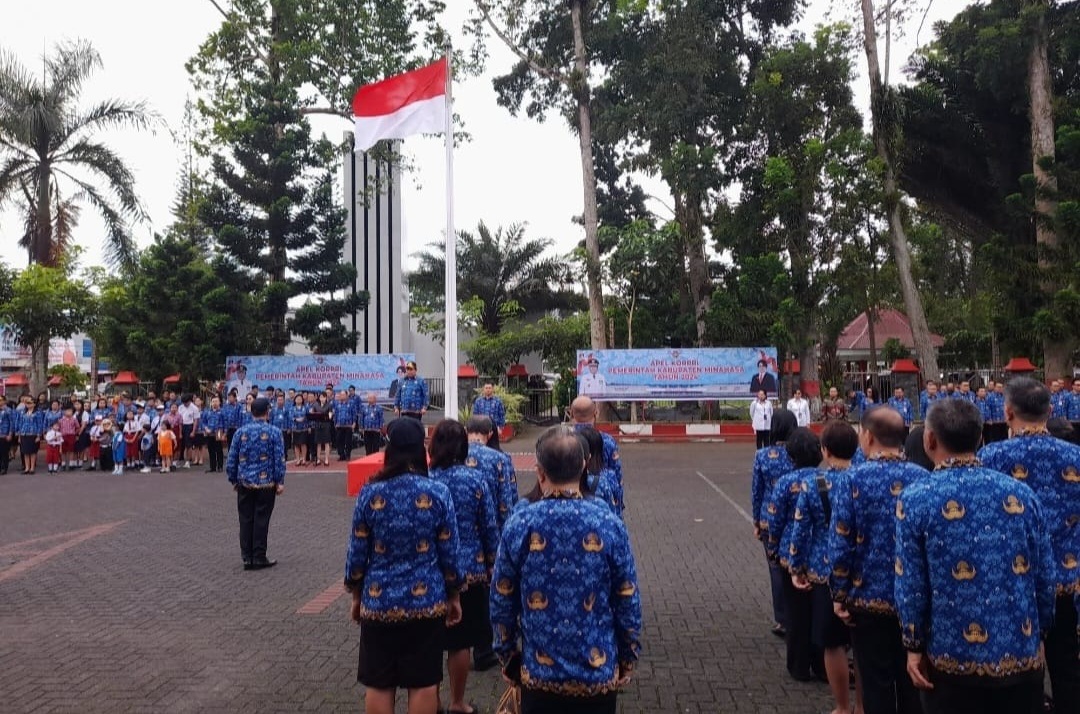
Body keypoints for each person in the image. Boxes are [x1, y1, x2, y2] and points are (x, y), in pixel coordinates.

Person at [895, 398, 1055, 714]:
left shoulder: (916, 499)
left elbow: (911, 585)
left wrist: (913, 646)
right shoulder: (1022, 495)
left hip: (952, 657)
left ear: (929, 439)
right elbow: (1044, 576)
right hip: (1020, 653)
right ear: (980, 438)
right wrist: (1041, 634)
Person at [490, 425, 641, 714]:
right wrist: (627, 655)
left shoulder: (520, 522)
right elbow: (627, 596)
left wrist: (507, 655)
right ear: (584, 466)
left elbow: (501, 597)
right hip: (596, 674)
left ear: (539, 471)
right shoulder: (608, 522)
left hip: (539, 675)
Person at [345, 417, 463, 714]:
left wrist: (357, 595)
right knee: (423, 682)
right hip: (426, 602)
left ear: (389, 449)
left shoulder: (370, 493)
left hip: (379, 599)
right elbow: (449, 551)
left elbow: (357, 553)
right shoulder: (437, 493)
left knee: (379, 682)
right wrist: (454, 595)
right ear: (421, 448)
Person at [977, 377, 1080, 713]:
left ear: (1007, 412)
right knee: (1067, 663)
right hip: (1066, 579)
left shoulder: (992, 457)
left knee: (1020, 665)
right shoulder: (1075, 456)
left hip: (1013, 580)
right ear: (1050, 411)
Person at [829, 406, 928, 714]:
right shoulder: (924, 478)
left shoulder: (852, 480)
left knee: (875, 686)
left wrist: (838, 593)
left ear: (868, 436)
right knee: (914, 683)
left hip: (867, 598)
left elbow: (840, 542)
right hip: (916, 600)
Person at [788, 421, 861, 714]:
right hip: (860, 571)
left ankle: (842, 706)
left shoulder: (814, 483)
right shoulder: (863, 480)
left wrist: (796, 566)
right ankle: (863, 706)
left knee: (833, 644)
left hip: (824, 570)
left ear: (825, 450)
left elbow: (800, 529)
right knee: (862, 643)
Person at [427, 419, 499, 714]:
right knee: (461, 643)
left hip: (430, 572)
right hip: (470, 571)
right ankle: (458, 702)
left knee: (429, 643)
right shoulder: (475, 480)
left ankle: (431, 702)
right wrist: (494, 564)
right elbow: (489, 527)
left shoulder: (426, 480)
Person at [764, 427, 825, 682]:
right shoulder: (827, 479)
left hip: (792, 556)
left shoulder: (787, 482)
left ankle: (799, 666)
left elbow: (774, 519)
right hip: (822, 558)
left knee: (796, 614)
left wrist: (773, 547)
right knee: (820, 613)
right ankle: (822, 663)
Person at [750, 408, 798, 639]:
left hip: (770, 520)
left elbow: (756, 492)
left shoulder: (762, 456)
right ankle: (800, 613)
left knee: (776, 570)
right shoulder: (800, 453)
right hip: (798, 518)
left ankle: (783, 619)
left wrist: (757, 521)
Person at [226, 397, 286, 570]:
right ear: (267, 412)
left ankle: (247, 557)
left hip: (244, 482)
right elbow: (279, 459)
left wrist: (233, 479)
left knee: (245, 519)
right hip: (266, 482)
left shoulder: (240, 432)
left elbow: (232, 459)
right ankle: (259, 556)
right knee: (261, 519)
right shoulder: (274, 432)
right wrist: (280, 480)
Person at [16, 399, 43, 475]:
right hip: (24, 434)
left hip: (33, 434)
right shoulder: (23, 412)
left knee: (33, 452)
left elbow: (40, 424)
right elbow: (20, 424)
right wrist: (19, 436)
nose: (28, 404)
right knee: (25, 452)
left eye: (29, 403)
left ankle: (32, 468)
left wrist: (38, 435)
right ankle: (27, 468)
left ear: (34, 404)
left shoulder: (38, 413)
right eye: (27, 403)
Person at [201, 396, 227, 473]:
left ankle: (220, 466)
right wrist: (205, 428)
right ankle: (212, 467)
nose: (214, 403)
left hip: (218, 431)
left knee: (219, 449)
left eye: (216, 401)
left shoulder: (222, 412)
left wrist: (225, 433)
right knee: (211, 450)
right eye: (213, 401)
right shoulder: (207, 412)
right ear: (211, 403)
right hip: (209, 433)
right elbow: (203, 422)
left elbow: (225, 423)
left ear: (219, 402)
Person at [309, 392, 333, 466]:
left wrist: (329, 415)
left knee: (326, 443)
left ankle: (326, 459)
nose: (322, 399)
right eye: (321, 397)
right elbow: (312, 414)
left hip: (326, 425)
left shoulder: (329, 405)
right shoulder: (315, 405)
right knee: (318, 443)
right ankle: (318, 459)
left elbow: (330, 416)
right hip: (318, 426)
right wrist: (311, 413)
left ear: (326, 398)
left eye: (324, 397)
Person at [333, 390, 358, 461]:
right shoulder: (337, 404)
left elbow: (354, 413)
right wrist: (335, 423)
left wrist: (354, 423)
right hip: (339, 425)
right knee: (338, 441)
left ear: (347, 396)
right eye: (340, 395)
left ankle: (347, 455)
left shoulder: (351, 403)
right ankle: (341, 455)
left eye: (343, 395)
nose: (342, 396)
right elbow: (336, 414)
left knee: (348, 441)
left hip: (348, 425)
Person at [288, 394, 309, 465]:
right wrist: (296, 419)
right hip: (295, 428)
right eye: (297, 399)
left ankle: (304, 459)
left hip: (304, 428)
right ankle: (297, 459)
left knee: (303, 444)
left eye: (300, 398)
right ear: (295, 400)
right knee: (296, 444)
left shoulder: (305, 407)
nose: (299, 400)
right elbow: (290, 417)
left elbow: (308, 416)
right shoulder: (292, 408)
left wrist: (304, 420)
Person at [0, 395, 12, 475]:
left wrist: (10, 434)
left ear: (4, 401)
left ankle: (4, 468)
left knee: (4, 452)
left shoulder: (8, 410)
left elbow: (11, 422)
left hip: (5, 434)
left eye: (1, 400)